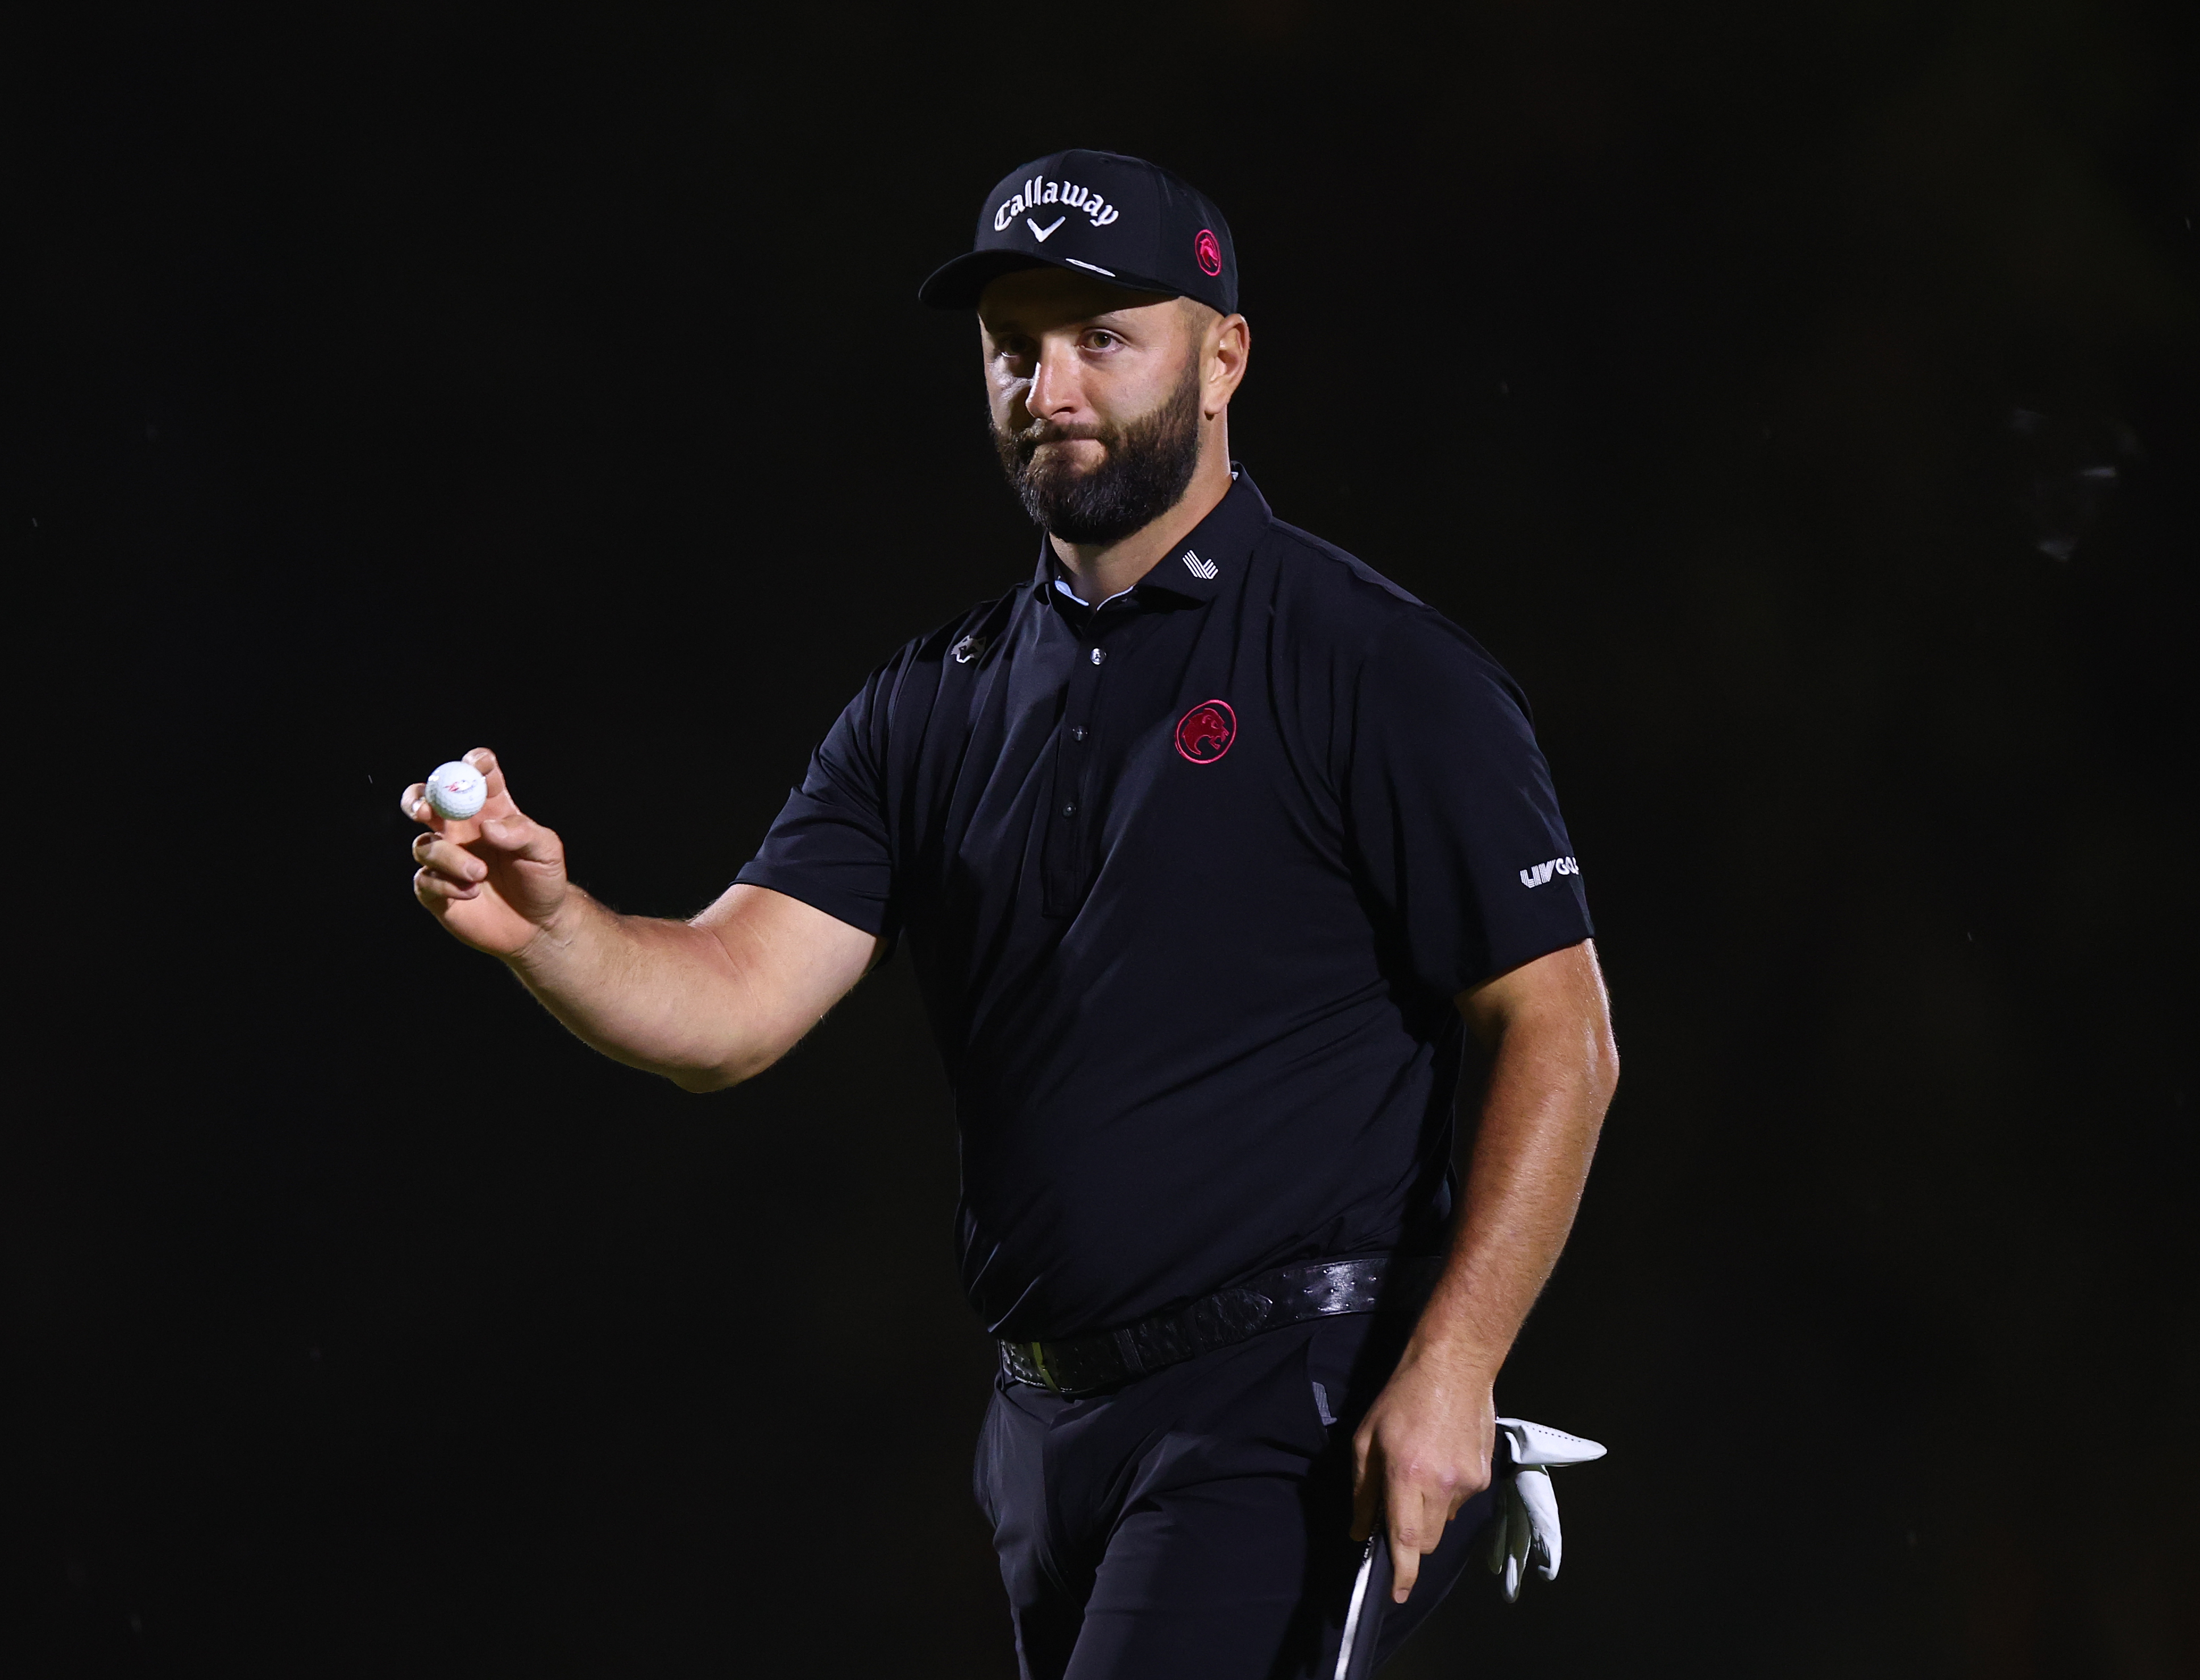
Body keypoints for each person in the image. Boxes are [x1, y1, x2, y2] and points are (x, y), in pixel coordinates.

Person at [402, 150, 1618, 1679]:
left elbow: (1560, 1029)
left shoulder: (1372, 667)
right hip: (1049, 1433)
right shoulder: (932, 704)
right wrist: (558, 923)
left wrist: (1454, 1362)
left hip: (1292, 1405)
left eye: (1104, 337)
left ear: (1224, 355)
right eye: (1015, 344)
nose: (1051, 383)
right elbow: (730, 1003)